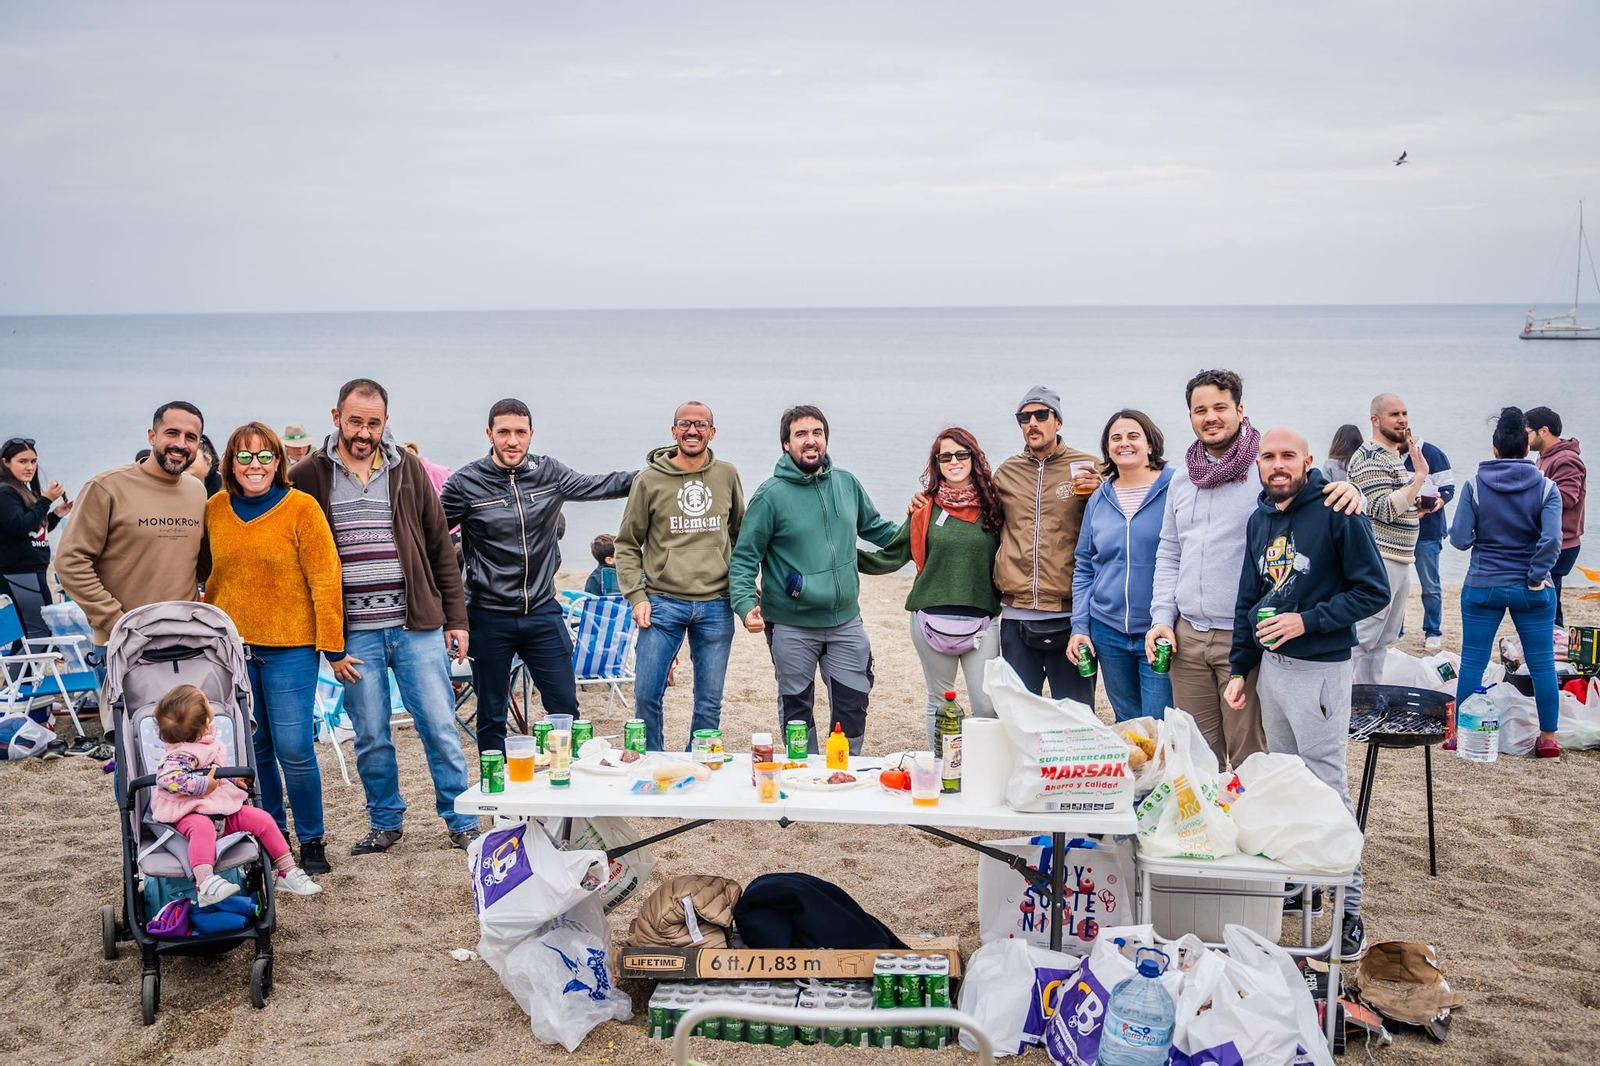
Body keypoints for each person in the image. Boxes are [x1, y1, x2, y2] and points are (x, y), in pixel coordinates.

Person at [290, 379, 482, 856]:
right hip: (354, 632)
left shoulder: (408, 469)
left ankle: (461, 820)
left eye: (373, 423)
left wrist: (456, 619)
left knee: (438, 725)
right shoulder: (309, 475)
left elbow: (441, 547)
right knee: (371, 732)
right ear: (336, 418)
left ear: (384, 423)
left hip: (415, 627)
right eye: (355, 421)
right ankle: (385, 822)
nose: (364, 432)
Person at [1223, 426, 1388, 960]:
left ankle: (1350, 909)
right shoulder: (1258, 520)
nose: (1277, 464)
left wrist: (1307, 622)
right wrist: (1240, 668)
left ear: (1308, 461)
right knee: (1286, 781)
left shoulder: (1339, 511)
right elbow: (1251, 596)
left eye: (1287, 456)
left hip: (1320, 672)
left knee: (1328, 788)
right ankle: (1300, 883)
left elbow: (1373, 591)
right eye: (1268, 456)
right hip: (1272, 671)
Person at [1147, 371, 1363, 769]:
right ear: (1190, 416)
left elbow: (1310, 491)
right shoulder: (1181, 478)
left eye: (1220, 407)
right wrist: (1162, 617)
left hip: (1245, 637)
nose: (1210, 417)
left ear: (1240, 410)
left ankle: (1253, 829)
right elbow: (1170, 551)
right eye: (1200, 410)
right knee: (1196, 757)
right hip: (1187, 637)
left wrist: (1354, 489)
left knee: (1253, 756)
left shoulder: (1264, 469)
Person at [442, 398, 636, 758]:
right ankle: (500, 802)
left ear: (531, 434)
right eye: (504, 432)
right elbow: (429, 537)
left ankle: (567, 782)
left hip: (543, 612)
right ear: (490, 434)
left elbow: (599, 485)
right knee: (491, 714)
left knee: (565, 706)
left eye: (520, 432)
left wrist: (652, 475)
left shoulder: (550, 473)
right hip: (488, 615)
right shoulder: (466, 484)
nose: (512, 441)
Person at [205, 422, 343, 874]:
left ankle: (312, 838)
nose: (255, 465)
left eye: (265, 455)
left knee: (295, 747)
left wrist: (333, 645)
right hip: (233, 651)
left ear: (279, 462)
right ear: (230, 463)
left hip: (291, 646)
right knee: (254, 747)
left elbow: (325, 578)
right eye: (244, 456)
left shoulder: (301, 508)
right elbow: (204, 572)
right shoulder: (216, 508)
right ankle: (272, 833)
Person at [729, 405, 899, 754]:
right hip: (791, 624)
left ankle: (843, 770)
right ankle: (802, 777)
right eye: (801, 434)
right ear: (786, 445)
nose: (810, 441)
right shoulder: (769, 496)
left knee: (853, 704)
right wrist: (746, 605)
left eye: (817, 433)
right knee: (796, 709)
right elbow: (744, 558)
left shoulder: (847, 483)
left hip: (846, 621)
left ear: (826, 439)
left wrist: (924, 532)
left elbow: (878, 530)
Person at [860, 427, 1003, 749]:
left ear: (974, 457)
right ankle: (943, 773)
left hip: (983, 622)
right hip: (929, 619)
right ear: (936, 464)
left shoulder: (996, 505)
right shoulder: (925, 507)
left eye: (961, 454)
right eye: (945, 456)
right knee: (939, 703)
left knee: (987, 706)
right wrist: (838, 556)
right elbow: (893, 556)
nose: (954, 461)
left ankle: (984, 774)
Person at [614, 401, 745, 751]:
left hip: (716, 604)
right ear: (673, 432)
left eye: (701, 425)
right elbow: (627, 544)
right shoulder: (648, 481)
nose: (692, 430)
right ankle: (654, 763)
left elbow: (740, 536)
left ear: (712, 432)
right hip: (661, 603)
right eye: (684, 424)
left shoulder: (727, 475)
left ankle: (697, 765)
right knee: (646, 696)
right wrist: (636, 596)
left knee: (709, 702)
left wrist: (745, 589)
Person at [56, 401, 209, 677]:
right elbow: (70, 562)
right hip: (122, 644)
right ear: (152, 436)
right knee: (126, 722)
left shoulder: (197, 491)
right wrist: (118, 621)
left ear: (198, 445)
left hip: (184, 642)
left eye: (191, 437)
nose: (181, 444)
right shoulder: (107, 487)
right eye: (171, 433)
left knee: (190, 722)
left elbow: (196, 562)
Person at [1451, 407, 1564, 760]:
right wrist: (1534, 576)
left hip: (1483, 585)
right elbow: (1552, 541)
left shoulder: (1474, 484)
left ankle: (1458, 734)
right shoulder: (1547, 488)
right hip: (1531, 590)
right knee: (1542, 663)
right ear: (1527, 449)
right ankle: (1547, 739)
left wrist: (1476, 538)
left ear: (1494, 448)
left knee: (1472, 660)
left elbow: (1457, 538)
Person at [151, 684, 323, 904]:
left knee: (262, 818)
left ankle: (287, 871)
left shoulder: (209, 742)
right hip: (186, 814)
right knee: (202, 827)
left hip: (217, 810)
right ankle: (205, 882)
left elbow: (217, 770)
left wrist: (233, 778)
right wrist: (204, 784)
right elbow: (167, 779)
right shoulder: (181, 753)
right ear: (205, 721)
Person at [992, 386, 1101, 703]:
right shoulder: (1007, 472)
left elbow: (1122, 513)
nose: (1032, 423)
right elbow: (978, 516)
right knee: (1019, 714)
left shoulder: (1088, 467)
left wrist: (1102, 488)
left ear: (1058, 422)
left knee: (1077, 714)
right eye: (1024, 417)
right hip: (1016, 613)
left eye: (1042, 415)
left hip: (1071, 616)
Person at [1068, 411, 1175, 722]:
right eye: (1116, 438)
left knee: (1159, 724)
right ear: (1108, 448)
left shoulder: (1176, 488)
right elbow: (1085, 566)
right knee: (1127, 724)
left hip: (1157, 630)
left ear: (1150, 446)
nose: (1124, 443)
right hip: (1108, 631)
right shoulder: (1099, 498)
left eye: (1133, 436)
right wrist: (1080, 626)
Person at [1348, 394, 1429, 684]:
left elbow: (1396, 503)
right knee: (1364, 636)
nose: (1402, 420)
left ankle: (1369, 703)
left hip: (1400, 559)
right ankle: (1342, 704)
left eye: (1405, 413)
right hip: (1380, 558)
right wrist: (1419, 478)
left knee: (1383, 639)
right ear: (1375, 420)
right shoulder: (1370, 457)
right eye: (1394, 414)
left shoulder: (1392, 457)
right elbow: (1382, 508)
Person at [0, 437, 72, 645]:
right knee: (39, 633)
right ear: (5, 462)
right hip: (18, 572)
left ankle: (23, 678)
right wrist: (46, 499)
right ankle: (20, 678)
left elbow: (34, 529)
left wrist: (56, 514)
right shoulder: (6, 492)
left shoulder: (23, 490)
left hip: (33, 570)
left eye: (33, 461)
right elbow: (18, 526)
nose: (30, 467)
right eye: (22, 461)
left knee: (30, 633)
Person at [1526, 407, 1586, 628]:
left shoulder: (1566, 459)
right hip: (1549, 539)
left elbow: (1567, 498)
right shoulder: (1544, 458)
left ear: (1543, 431)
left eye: (1527, 431)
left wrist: (1527, 498)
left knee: (1547, 602)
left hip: (1562, 542)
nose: (1524, 438)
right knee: (1548, 601)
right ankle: (1552, 646)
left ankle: (1553, 647)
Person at [1403, 436, 1454, 651]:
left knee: (1430, 585)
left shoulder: (1433, 454)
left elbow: (1449, 489)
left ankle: (1433, 631)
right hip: (1398, 530)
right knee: (1396, 584)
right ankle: (1396, 628)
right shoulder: (1388, 454)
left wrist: (1435, 504)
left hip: (1428, 531)